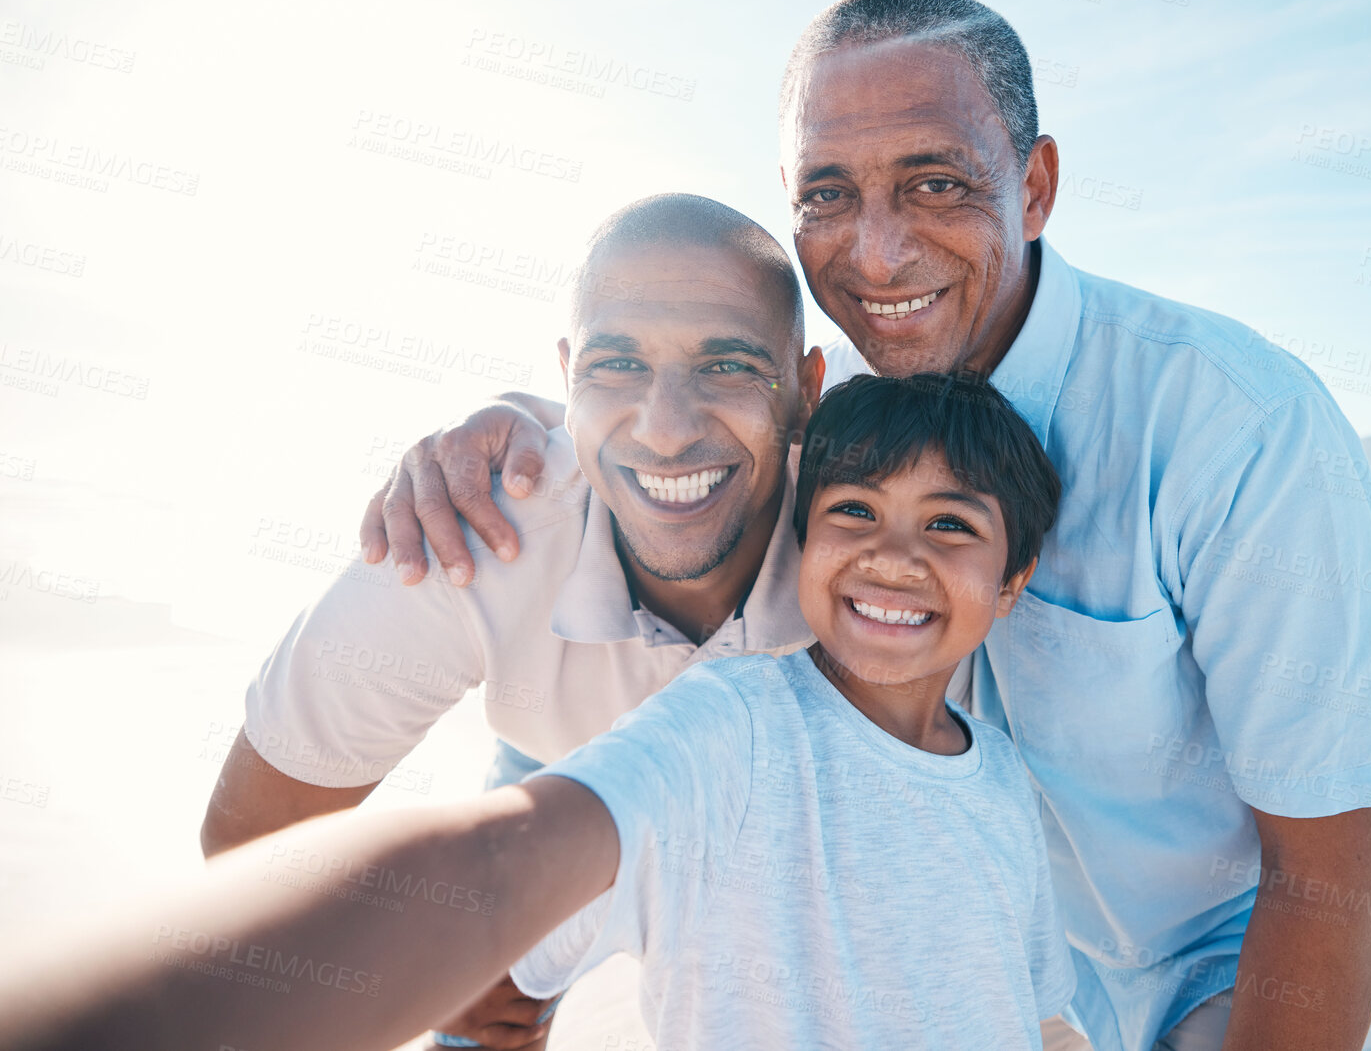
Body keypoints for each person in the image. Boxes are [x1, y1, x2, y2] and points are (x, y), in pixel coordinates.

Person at [375, 0, 1371, 1051]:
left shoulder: (1236, 426)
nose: (876, 253)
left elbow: (1333, 868)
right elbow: (630, 554)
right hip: (985, 952)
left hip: (1233, 956)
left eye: (935, 183)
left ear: (1033, 187)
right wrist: (516, 430)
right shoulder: (818, 416)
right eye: (828, 194)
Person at [0, 373, 1075, 1051]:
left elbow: (1041, 1014)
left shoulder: (1005, 785)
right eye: (854, 512)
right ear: (803, 530)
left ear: (1015, 576)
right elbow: (505, 858)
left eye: (950, 524)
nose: (896, 553)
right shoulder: (732, 726)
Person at [201, 192, 848, 1048]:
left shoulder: (883, 524)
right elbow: (251, 846)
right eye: (615, 366)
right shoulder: (472, 535)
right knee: (479, 1008)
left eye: (726, 365)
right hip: (559, 747)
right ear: (565, 372)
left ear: (806, 390)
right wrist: (414, 968)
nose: (664, 431)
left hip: (782, 803)